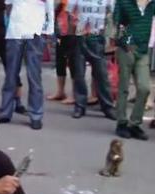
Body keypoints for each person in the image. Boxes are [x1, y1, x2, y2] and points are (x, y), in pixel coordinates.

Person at [0, 0, 55, 130]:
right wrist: (10, 23)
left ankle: (36, 115)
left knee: (34, 76)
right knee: (10, 74)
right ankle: (5, 112)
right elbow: (8, 5)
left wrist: (48, 31)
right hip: (15, 30)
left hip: (36, 30)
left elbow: (49, 7)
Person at [65, 0, 117, 120]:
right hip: (80, 36)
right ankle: (80, 106)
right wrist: (70, 36)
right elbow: (69, 13)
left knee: (101, 74)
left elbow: (112, 16)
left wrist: (110, 37)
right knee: (79, 73)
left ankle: (107, 106)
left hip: (97, 37)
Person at [113, 0, 154, 140]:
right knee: (123, 87)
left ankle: (134, 124)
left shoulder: (152, 3)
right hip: (127, 49)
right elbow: (116, 23)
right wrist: (124, 43)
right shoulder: (124, 2)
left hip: (143, 50)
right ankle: (122, 123)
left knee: (144, 88)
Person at [47, 0, 76, 104]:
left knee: (73, 62)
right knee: (60, 60)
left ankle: (74, 94)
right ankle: (60, 91)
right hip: (60, 27)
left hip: (73, 29)